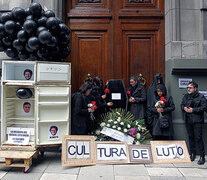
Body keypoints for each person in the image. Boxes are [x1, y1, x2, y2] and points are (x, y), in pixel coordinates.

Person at [181, 81, 206, 165]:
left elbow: (204, 107)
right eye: (188, 87)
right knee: (190, 137)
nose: (188, 89)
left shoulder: (201, 97)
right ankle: (192, 154)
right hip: (188, 120)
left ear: (195, 88)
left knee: (198, 138)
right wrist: (184, 108)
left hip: (197, 120)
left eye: (190, 87)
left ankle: (202, 156)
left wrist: (193, 110)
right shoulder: (186, 96)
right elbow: (182, 105)